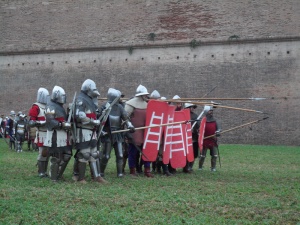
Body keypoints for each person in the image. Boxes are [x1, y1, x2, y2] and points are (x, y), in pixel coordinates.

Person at [73, 79, 107, 184]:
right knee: (84, 154)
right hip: (83, 131)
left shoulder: (90, 101)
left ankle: (96, 176)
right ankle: (80, 178)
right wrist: (93, 122)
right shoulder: (81, 100)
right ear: (88, 89)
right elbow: (79, 116)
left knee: (94, 154)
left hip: (92, 131)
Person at [99, 88, 135, 178]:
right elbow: (99, 120)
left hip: (118, 134)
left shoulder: (119, 107)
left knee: (120, 154)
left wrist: (130, 125)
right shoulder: (105, 106)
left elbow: (126, 118)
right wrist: (102, 131)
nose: (120, 99)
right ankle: (100, 173)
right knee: (106, 156)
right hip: (108, 134)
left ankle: (120, 173)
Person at [44, 86, 72, 182]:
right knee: (57, 156)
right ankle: (54, 178)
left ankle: (58, 174)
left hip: (63, 134)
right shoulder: (50, 105)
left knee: (67, 154)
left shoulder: (60, 107)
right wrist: (61, 124)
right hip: (55, 135)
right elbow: (50, 121)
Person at [125, 84, 154, 177]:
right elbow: (125, 118)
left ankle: (147, 170)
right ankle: (132, 171)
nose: (145, 96)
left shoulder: (147, 105)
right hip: (134, 131)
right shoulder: (130, 104)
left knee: (147, 151)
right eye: (144, 94)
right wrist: (128, 128)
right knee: (133, 152)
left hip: (145, 132)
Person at [28, 87, 50, 177]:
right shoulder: (36, 107)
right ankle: (41, 172)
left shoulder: (48, 106)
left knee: (47, 153)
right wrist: (42, 122)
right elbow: (31, 122)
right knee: (42, 153)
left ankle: (44, 171)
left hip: (49, 133)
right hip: (41, 133)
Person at [199, 106, 221, 172]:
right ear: (206, 111)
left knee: (214, 155)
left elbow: (219, 129)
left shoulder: (215, 120)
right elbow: (199, 130)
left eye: (211, 111)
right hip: (204, 140)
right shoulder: (202, 121)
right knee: (202, 155)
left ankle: (213, 168)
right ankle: (200, 167)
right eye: (209, 111)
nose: (211, 112)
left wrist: (217, 132)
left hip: (213, 140)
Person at [183, 102, 199, 173]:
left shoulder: (195, 116)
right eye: (191, 107)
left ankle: (190, 167)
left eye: (193, 107)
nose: (192, 108)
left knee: (194, 153)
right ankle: (186, 167)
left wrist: (197, 130)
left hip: (194, 138)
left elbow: (198, 126)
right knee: (186, 153)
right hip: (185, 138)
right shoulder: (183, 115)